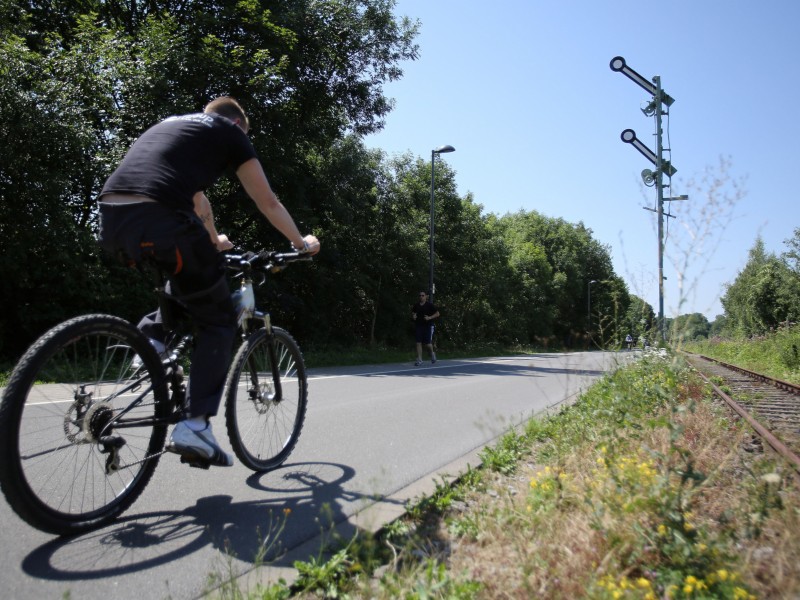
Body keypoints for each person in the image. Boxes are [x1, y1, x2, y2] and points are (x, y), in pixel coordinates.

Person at [97, 96, 320, 467]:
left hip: (112, 217)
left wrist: (214, 241)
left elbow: (198, 202)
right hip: (162, 216)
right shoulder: (231, 133)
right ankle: (195, 426)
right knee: (217, 320)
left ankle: (150, 342)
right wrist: (302, 244)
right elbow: (267, 202)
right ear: (238, 125)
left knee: (190, 281)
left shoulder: (174, 126)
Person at [412, 291, 440, 366]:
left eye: (422, 295)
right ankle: (420, 359)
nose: (421, 297)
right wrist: (414, 316)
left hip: (428, 326)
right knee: (418, 342)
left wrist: (429, 317)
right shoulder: (416, 305)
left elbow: (437, 314)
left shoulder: (429, 305)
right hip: (419, 325)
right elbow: (414, 312)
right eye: (420, 295)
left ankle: (432, 353)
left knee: (428, 344)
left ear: (426, 297)